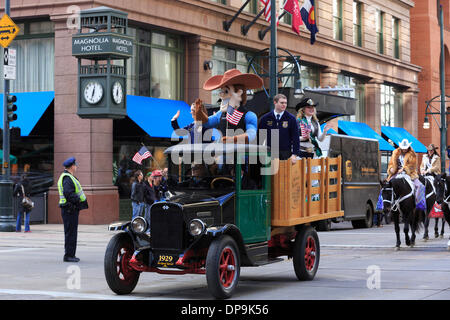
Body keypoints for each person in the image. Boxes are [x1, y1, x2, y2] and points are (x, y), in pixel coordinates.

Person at [198, 69, 263, 144]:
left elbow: (251, 134)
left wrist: (234, 139)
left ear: (239, 93)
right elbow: (207, 123)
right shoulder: (221, 114)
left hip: (241, 154)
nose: (222, 95)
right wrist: (199, 114)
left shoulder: (249, 115)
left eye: (226, 91)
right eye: (221, 92)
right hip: (224, 153)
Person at [57, 157, 88, 263]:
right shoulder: (67, 178)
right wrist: (78, 201)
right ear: (72, 166)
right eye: (75, 164)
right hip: (70, 209)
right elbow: (68, 193)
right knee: (71, 233)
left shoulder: (68, 177)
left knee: (70, 232)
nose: (76, 166)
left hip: (70, 209)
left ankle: (70, 254)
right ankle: (69, 255)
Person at [258, 93, 300, 162]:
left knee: (284, 173)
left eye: (285, 103)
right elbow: (260, 137)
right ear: (275, 102)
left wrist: (294, 154)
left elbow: (295, 137)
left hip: (285, 153)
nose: (284, 105)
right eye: (282, 103)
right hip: (270, 152)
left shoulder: (291, 118)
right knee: (270, 172)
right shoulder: (265, 118)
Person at [387, 139, 426, 211]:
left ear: (408, 147)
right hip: (396, 173)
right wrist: (391, 169)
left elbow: (412, 166)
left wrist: (404, 169)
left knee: (420, 186)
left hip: (410, 174)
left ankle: (419, 206)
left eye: (406, 148)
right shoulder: (395, 152)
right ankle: (383, 205)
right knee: (385, 186)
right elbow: (391, 163)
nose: (404, 149)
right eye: (403, 148)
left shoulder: (412, 154)